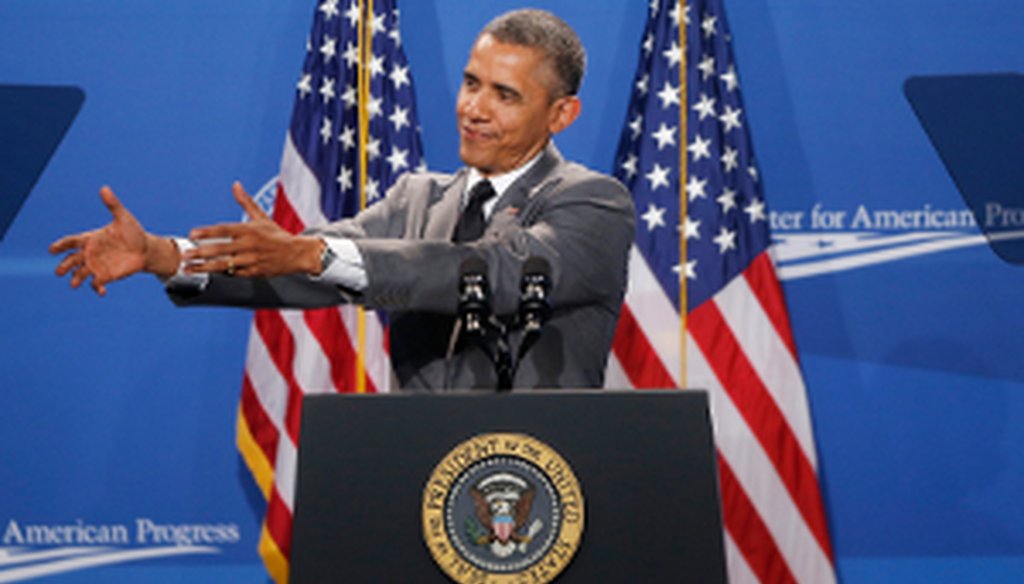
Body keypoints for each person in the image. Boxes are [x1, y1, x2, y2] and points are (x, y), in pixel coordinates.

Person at [50, 9, 635, 391]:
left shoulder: (592, 202)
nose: (474, 108)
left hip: (537, 487)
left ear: (561, 114)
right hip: (420, 476)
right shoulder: (419, 198)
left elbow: (494, 271)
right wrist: (162, 255)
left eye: (504, 95)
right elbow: (308, 270)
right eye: (471, 82)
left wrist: (312, 254)